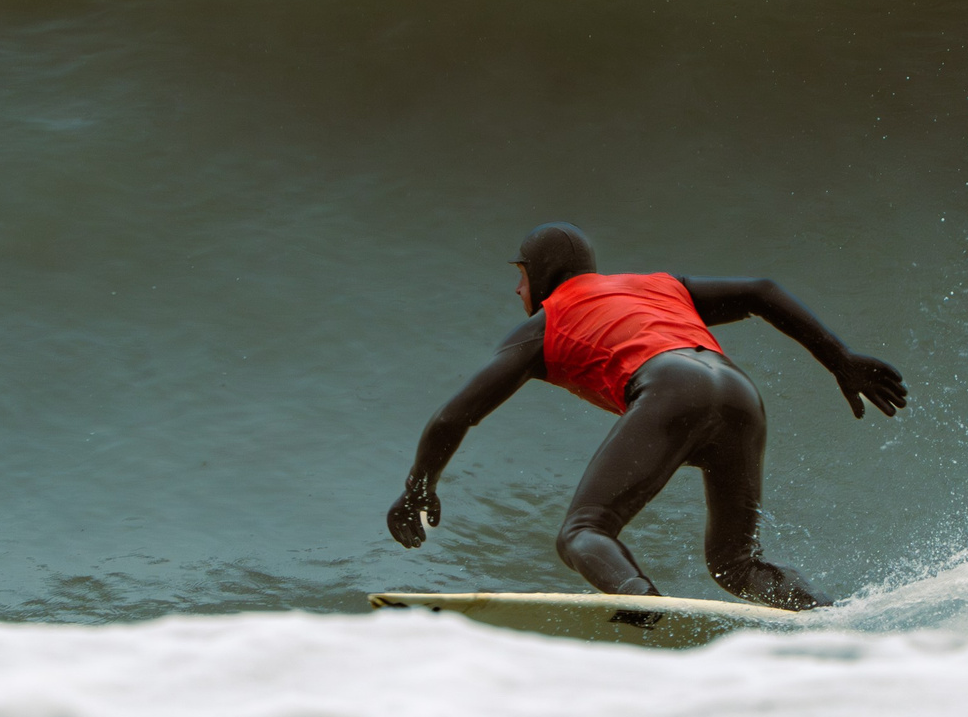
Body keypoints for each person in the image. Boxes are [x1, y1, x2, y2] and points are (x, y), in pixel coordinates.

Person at [386, 222, 907, 609]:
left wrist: (418, 487)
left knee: (583, 531)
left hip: (671, 389)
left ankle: (645, 613)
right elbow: (760, 291)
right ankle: (822, 615)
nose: (516, 290)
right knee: (734, 565)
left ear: (539, 274)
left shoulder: (546, 324)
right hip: (739, 394)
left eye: (519, 276)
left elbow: (452, 418)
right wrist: (841, 361)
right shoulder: (656, 285)